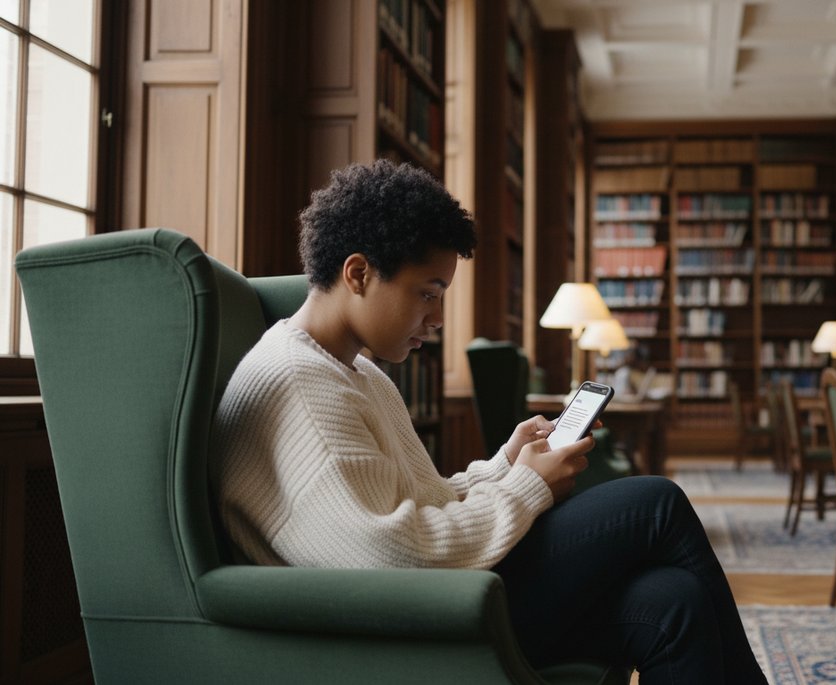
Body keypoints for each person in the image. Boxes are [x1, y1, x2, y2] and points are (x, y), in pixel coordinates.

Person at [212, 160, 766, 685]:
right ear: (358, 273)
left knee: (674, 602)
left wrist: (504, 464)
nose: (435, 317)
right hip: (406, 625)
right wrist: (527, 488)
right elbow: (387, 556)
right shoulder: (301, 382)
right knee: (654, 502)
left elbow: (420, 500)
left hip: (438, 598)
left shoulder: (356, 373)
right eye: (426, 293)